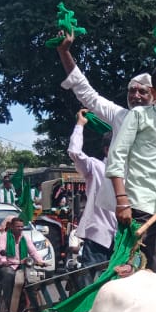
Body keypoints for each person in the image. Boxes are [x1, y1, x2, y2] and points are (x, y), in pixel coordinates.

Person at [107, 63, 156, 276]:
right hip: (139, 207)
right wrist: (122, 200)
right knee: (133, 274)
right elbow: (117, 156)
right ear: (154, 92)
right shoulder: (140, 115)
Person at [66, 110, 117, 285]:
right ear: (107, 149)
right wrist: (80, 125)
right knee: (90, 284)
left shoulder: (131, 173)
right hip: (98, 236)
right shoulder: (95, 167)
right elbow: (74, 152)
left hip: (122, 239)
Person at [0, 216, 46, 312]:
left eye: (21, 226)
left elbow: (33, 251)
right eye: (17, 226)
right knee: (9, 275)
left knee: (34, 277)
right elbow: (0, 251)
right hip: (9, 265)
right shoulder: (4, 237)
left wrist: (41, 262)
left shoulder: (24, 238)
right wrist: (3, 260)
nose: (20, 228)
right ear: (11, 226)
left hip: (23, 265)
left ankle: (31, 302)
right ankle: (7, 302)